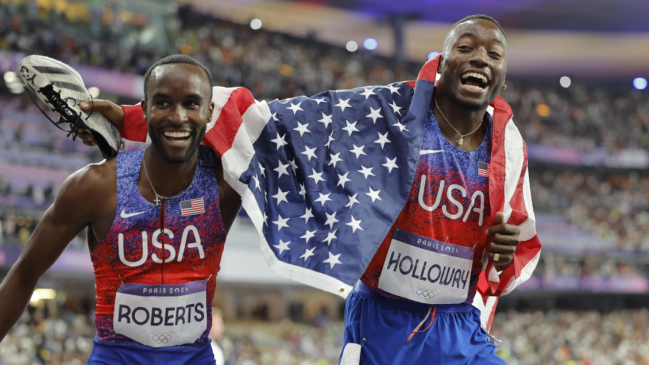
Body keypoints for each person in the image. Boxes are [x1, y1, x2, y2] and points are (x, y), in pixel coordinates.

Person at [77, 14, 539, 365]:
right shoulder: (388, 113)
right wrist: (134, 118)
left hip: (460, 325)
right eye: (466, 47)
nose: (480, 58)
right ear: (441, 63)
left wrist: (503, 250)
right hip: (384, 321)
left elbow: (514, 244)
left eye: (493, 54)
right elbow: (268, 121)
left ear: (501, 75)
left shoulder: (509, 145)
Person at [0, 54, 241, 364]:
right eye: (163, 103)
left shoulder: (228, 182)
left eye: (192, 104)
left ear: (210, 112)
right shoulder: (94, 187)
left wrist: (128, 120)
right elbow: (23, 275)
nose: (178, 116)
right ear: (144, 109)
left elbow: (265, 127)